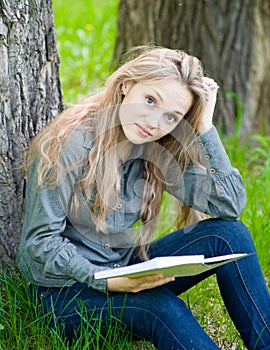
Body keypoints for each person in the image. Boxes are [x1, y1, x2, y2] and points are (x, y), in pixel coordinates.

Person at [18, 47, 270, 349]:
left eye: (171, 116)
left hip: (124, 268)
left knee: (230, 234)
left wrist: (204, 126)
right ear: (127, 86)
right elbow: (39, 244)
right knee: (161, 307)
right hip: (66, 295)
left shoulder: (157, 148)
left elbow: (229, 205)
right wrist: (105, 280)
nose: (153, 122)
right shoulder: (70, 145)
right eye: (150, 100)